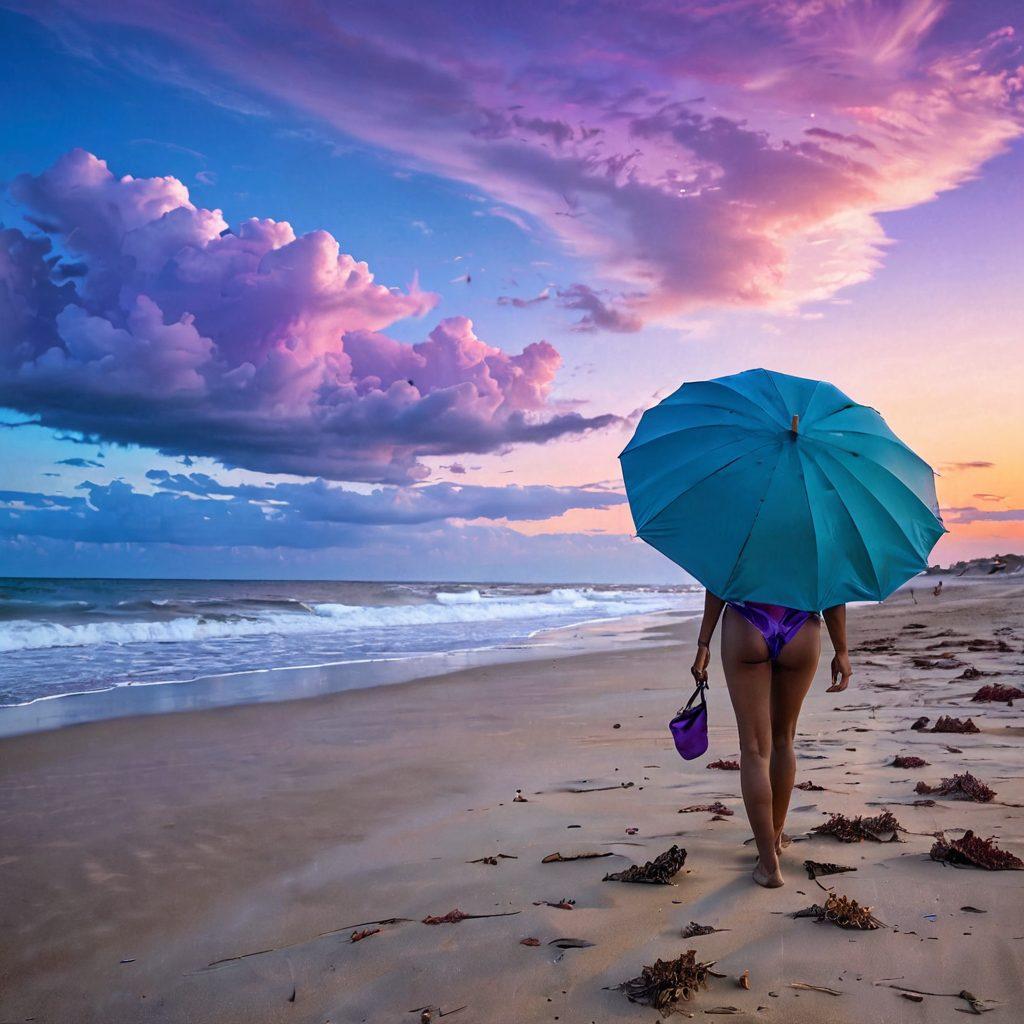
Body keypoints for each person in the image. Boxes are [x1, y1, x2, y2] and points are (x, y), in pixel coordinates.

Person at [689, 593, 853, 888]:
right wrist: (841, 649)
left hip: (747, 621)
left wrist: (704, 643)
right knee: (783, 740)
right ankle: (775, 839)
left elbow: (718, 580)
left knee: (754, 748)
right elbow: (832, 587)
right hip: (801, 625)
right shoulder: (815, 544)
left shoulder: (739, 542)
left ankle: (768, 863)